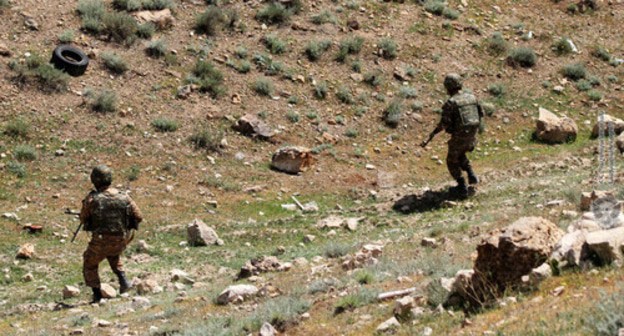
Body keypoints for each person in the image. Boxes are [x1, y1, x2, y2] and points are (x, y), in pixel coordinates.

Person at [80, 165, 143, 303]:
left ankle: (97, 294)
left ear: (95, 180)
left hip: (100, 241)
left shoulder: (92, 199)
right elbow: (138, 216)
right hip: (120, 240)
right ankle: (124, 282)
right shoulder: (124, 197)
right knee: (113, 255)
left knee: (89, 263)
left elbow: (83, 217)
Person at [421, 73, 484, 196]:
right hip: (472, 136)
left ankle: (461, 187)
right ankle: (471, 175)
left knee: (451, 160)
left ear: (448, 87)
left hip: (460, 136)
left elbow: (444, 124)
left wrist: (432, 135)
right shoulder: (472, 98)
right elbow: (481, 114)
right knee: (459, 153)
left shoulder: (451, 102)